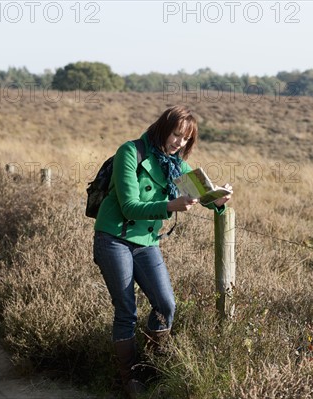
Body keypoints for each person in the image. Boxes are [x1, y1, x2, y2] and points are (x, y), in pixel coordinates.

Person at [92, 105, 232, 397]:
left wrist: (219, 198)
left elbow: (203, 194)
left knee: (166, 304)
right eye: (176, 134)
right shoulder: (130, 152)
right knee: (126, 309)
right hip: (114, 237)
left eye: (186, 139)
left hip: (146, 243)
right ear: (162, 128)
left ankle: (154, 367)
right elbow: (130, 205)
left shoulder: (176, 165)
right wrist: (171, 205)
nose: (179, 142)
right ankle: (129, 377)